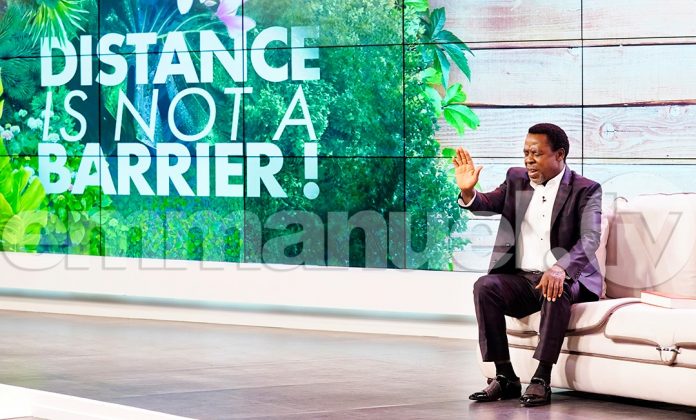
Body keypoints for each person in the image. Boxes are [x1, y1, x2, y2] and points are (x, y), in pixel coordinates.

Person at [453, 123, 603, 407]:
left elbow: (590, 238)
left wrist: (561, 268)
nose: (528, 160)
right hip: (523, 279)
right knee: (485, 287)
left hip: (569, 279)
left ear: (559, 155)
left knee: (555, 287)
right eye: (525, 153)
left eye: (536, 153)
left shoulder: (586, 189)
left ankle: (541, 378)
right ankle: (505, 376)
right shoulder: (516, 179)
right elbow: (487, 203)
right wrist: (469, 193)